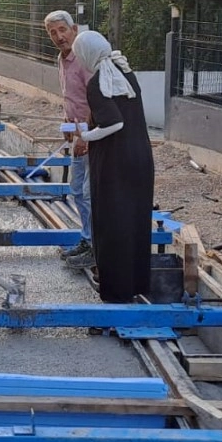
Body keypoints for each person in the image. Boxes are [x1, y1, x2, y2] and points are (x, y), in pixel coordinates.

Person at [71, 30, 154, 304]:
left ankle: (116, 291)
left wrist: (85, 136)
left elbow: (113, 123)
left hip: (115, 163)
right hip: (140, 158)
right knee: (136, 222)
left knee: (112, 223)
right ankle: (137, 283)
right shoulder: (125, 72)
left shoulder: (98, 82)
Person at [44, 10, 93, 267]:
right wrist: (66, 122)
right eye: (53, 32)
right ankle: (87, 239)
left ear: (74, 30)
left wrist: (85, 136)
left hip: (94, 136)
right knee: (76, 191)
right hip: (77, 135)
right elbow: (69, 96)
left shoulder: (84, 59)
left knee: (88, 193)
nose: (58, 36)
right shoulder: (62, 60)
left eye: (62, 30)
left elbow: (96, 100)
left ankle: (96, 246)